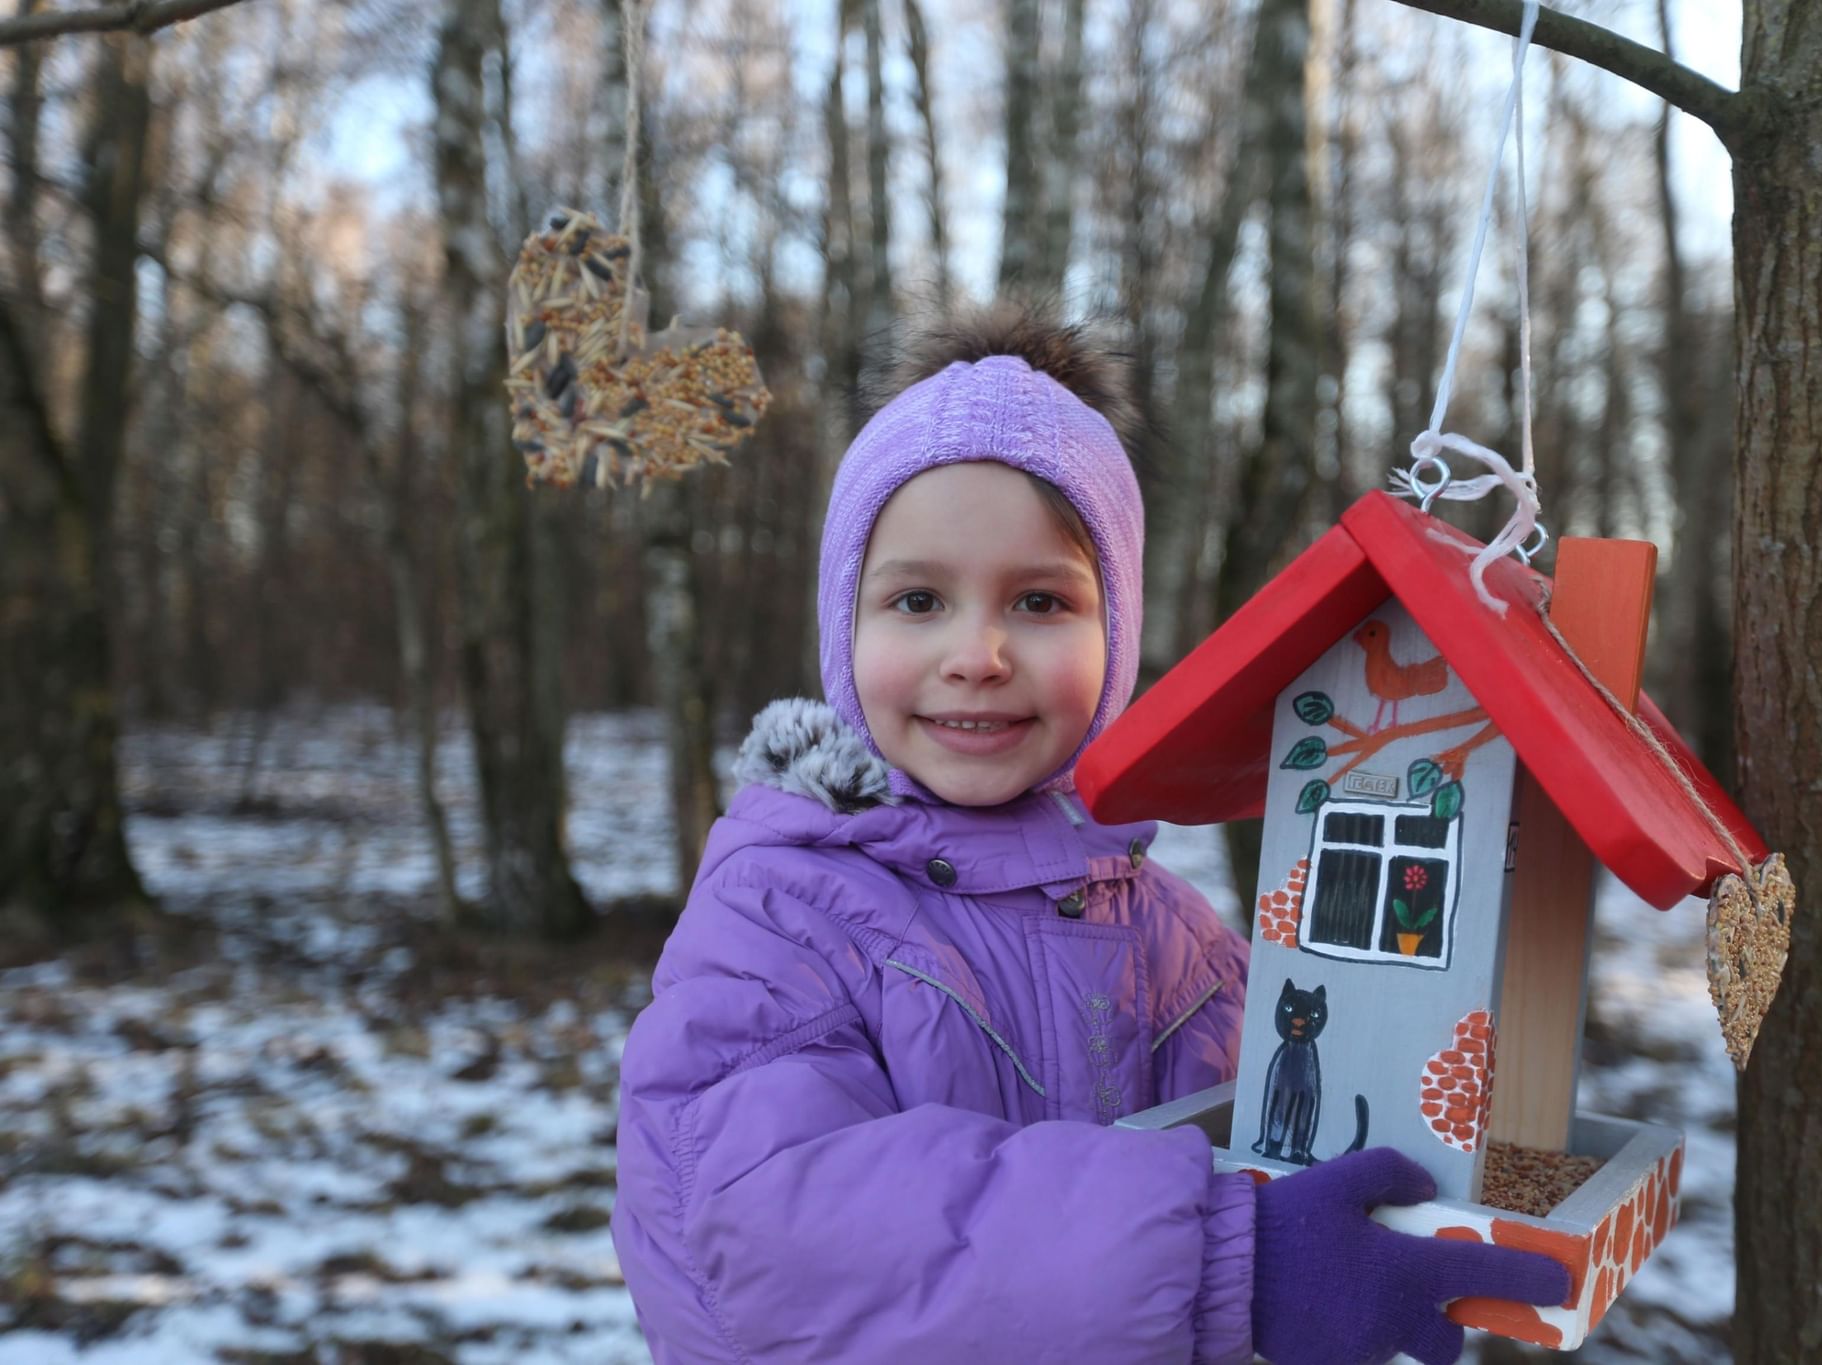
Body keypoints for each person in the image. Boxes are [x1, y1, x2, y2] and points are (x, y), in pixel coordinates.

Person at [611, 304, 1570, 1363]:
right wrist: (1226, 1264)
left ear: (1115, 641)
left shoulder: (1171, 938)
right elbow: (764, 1231)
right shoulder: (782, 910)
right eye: (918, 599)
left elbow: (1296, 1114)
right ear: (846, 627)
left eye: (1038, 601)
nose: (976, 653)